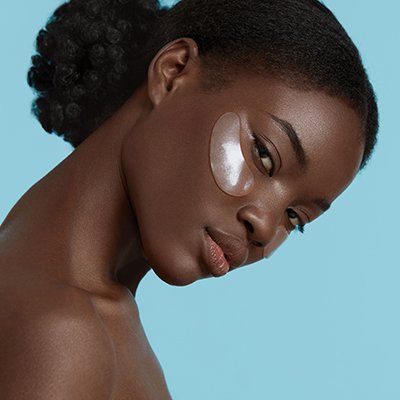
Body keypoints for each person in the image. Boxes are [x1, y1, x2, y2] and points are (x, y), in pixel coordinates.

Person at [0, 0, 378, 398]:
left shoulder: (97, 320)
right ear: (173, 72)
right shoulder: (60, 332)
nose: (265, 227)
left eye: (295, 217)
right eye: (264, 155)